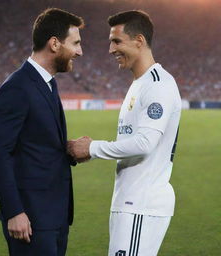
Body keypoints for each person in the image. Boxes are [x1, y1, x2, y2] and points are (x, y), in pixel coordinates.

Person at [68, 10, 181, 256]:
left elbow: (145, 143)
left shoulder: (158, 84)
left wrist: (92, 148)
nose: (110, 49)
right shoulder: (139, 84)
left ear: (139, 41)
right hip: (129, 201)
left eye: (116, 41)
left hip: (142, 203)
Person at [0, 8, 84, 256]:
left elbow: (36, 143)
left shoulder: (47, 84)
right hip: (30, 219)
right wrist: (14, 212)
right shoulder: (17, 87)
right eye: (75, 43)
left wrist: (70, 150)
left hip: (55, 215)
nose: (79, 51)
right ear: (54, 44)